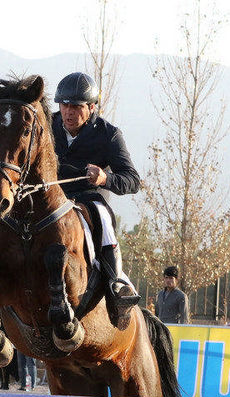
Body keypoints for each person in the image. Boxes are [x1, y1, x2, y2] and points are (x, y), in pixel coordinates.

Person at [52, 71, 141, 325]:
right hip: (51, 198)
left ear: (91, 107)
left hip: (88, 200)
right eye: (64, 105)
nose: (68, 112)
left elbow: (132, 180)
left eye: (76, 106)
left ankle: (115, 284)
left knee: (102, 216)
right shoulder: (47, 126)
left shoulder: (108, 134)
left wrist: (105, 179)